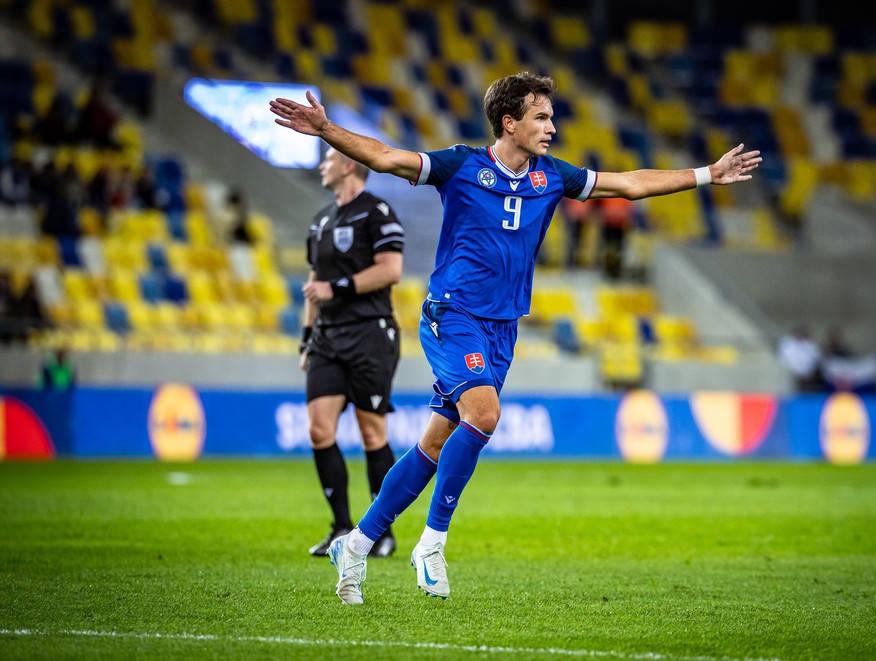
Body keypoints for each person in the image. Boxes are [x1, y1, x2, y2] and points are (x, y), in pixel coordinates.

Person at [270, 71, 761, 605]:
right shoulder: (461, 166)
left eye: (551, 116)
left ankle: (358, 542)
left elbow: (631, 184)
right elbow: (387, 157)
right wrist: (326, 129)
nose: (552, 126)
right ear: (510, 123)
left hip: (502, 328)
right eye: (542, 117)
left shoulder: (553, 176)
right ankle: (431, 544)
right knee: (484, 415)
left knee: (434, 444)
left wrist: (707, 174)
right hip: (452, 314)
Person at [298, 147, 406, 559]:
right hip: (327, 337)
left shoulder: (377, 211)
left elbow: (390, 269)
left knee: (371, 432)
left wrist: (336, 288)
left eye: (327, 159)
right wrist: (306, 337)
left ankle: (382, 532)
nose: (322, 165)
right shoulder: (321, 219)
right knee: (318, 430)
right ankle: (341, 528)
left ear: (347, 165)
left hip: (369, 335)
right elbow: (313, 282)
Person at [778, 325, 822, 392]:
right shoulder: (788, 345)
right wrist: (796, 371)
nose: (800, 336)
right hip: (791, 373)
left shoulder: (811, 346)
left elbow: (815, 359)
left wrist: (805, 372)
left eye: (802, 334)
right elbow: (785, 360)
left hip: (808, 375)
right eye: (798, 333)